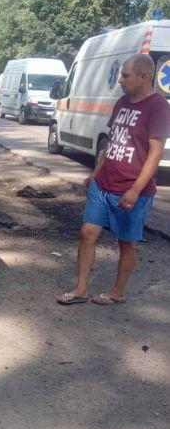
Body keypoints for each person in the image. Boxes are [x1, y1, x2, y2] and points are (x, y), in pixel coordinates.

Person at [57, 53, 170, 306]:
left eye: (126, 75)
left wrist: (135, 189)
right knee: (87, 232)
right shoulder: (122, 102)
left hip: (131, 190)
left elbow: (155, 154)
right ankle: (81, 289)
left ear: (144, 76)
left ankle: (117, 292)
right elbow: (113, 142)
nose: (120, 79)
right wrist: (95, 174)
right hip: (104, 184)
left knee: (126, 243)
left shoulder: (158, 107)